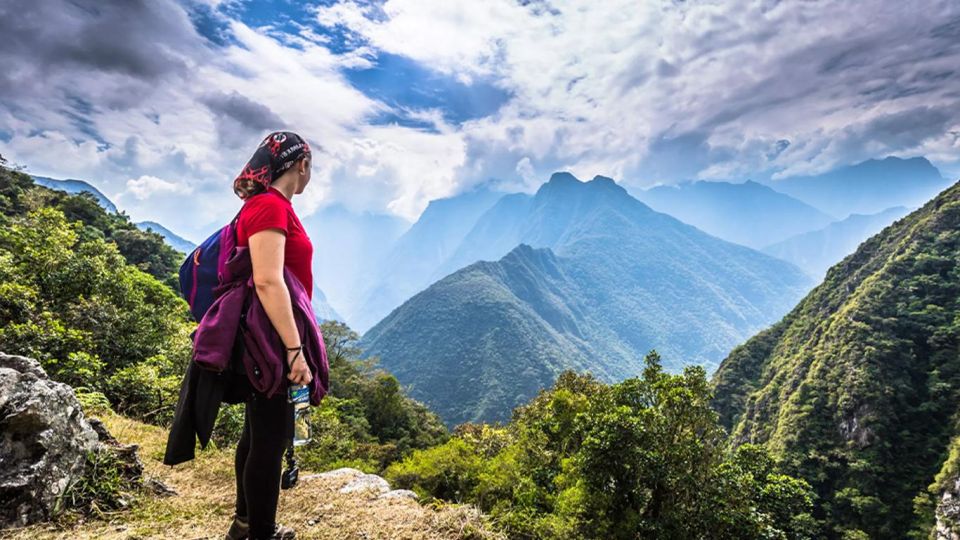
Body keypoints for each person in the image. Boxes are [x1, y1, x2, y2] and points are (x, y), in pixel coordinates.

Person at [226, 131, 316, 540]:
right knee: (270, 438)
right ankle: (260, 532)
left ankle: (245, 525)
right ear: (301, 165)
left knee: (258, 431)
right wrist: (295, 350)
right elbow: (267, 281)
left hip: (266, 334)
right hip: (271, 339)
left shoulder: (269, 206)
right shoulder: (269, 208)